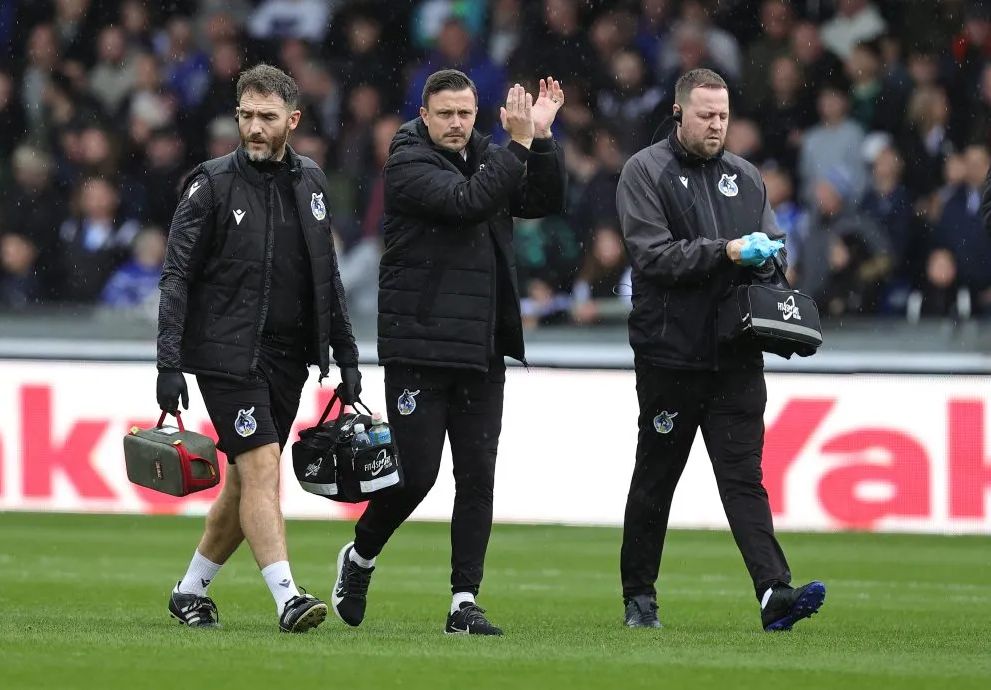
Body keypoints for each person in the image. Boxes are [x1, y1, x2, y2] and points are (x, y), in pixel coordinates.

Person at [329, 69, 567, 636]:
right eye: (446, 114)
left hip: (482, 344)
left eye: (466, 113)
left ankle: (464, 602)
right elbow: (469, 202)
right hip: (421, 342)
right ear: (425, 116)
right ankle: (359, 556)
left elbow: (542, 198)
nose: (458, 124)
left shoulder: (489, 152)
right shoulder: (407, 163)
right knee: (415, 476)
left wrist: (543, 137)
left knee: (478, 476)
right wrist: (518, 143)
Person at [615, 68, 826, 631]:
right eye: (706, 114)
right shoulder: (645, 171)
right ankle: (639, 597)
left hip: (736, 355)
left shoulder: (746, 177)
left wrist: (772, 261)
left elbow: (774, 252)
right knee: (657, 476)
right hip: (670, 355)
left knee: (744, 479)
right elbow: (652, 256)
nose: (716, 125)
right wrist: (727, 251)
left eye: (724, 116)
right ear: (679, 112)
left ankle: (774, 593)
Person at [155, 63, 362, 633]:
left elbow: (328, 277)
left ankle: (190, 590)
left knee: (249, 478)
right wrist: (168, 363)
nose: (254, 128)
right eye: (246, 116)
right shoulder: (211, 183)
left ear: (292, 120)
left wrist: (347, 357)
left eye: (267, 117)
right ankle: (288, 597)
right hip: (227, 354)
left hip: (289, 357)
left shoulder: (312, 182)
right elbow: (175, 276)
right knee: (263, 466)